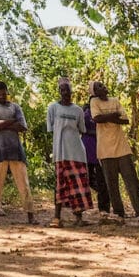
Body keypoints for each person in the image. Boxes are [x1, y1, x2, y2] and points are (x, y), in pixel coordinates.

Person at [87, 81, 139, 224]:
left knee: (132, 182)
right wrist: (114, 115)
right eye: (99, 87)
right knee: (112, 185)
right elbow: (97, 119)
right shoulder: (94, 102)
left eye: (102, 85)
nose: (103, 87)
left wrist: (108, 117)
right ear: (95, 93)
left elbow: (125, 120)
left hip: (122, 148)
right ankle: (119, 214)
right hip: (105, 149)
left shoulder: (115, 100)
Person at [0, 80, 34, 224]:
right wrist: (10, 122)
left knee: (23, 184)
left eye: (3, 93)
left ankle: (30, 215)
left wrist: (1, 123)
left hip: (15, 150)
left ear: (7, 92)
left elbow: (22, 126)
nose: (1, 95)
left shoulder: (15, 107)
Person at [46, 79, 92, 226]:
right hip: (60, 152)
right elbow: (51, 129)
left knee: (78, 186)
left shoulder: (78, 110)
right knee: (60, 185)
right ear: (60, 92)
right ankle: (57, 217)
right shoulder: (53, 108)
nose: (66, 93)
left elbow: (82, 129)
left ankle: (79, 218)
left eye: (68, 90)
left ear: (72, 92)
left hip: (76, 152)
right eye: (63, 90)